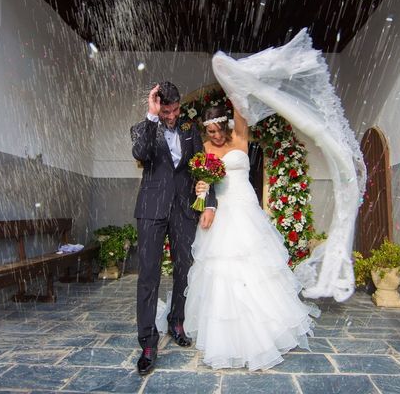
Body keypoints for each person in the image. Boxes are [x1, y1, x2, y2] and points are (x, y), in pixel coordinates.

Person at [184, 103, 320, 371]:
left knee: (255, 265)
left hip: (246, 208)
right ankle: (225, 337)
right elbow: (202, 180)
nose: (214, 136)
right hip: (221, 210)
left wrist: (230, 72)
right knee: (222, 269)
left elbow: (239, 101)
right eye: (209, 132)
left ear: (225, 125)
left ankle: (267, 330)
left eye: (217, 130)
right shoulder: (204, 148)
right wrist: (201, 188)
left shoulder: (240, 136)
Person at [130, 81, 216, 375]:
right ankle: (148, 342)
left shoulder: (189, 130)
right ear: (157, 106)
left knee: (184, 267)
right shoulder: (143, 128)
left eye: (176, 110)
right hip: (151, 211)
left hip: (183, 210)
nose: (172, 116)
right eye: (166, 111)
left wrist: (209, 203)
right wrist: (152, 115)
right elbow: (141, 153)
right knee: (149, 275)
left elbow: (202, 167)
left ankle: (176, 320)